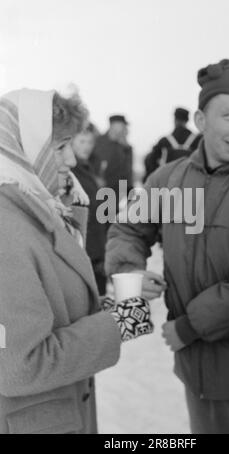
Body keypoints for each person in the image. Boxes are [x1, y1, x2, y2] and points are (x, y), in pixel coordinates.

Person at [105, 59, 229, 434]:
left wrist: (189, 326)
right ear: (200, 120)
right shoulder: (168, 181)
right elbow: (127, 228)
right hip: (197, 375)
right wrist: (129, 272)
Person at [0, 89, 151, 434]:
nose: (69, 161)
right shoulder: (5, 227)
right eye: (58, 148)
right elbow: (21, 365)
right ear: (18, 148)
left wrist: (120, 306)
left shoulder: (36, 210)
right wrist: (118, 324)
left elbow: (49, 308)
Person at [72, 123, 108, 296]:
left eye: (90, 142)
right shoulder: (69, 171)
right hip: (85, 249)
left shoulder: (90, 167)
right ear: (71, 141)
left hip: (96, 246)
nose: (86, 146)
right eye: (82, 141)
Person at [144, 107, 201, 180]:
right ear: (187, 120)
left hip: (168, 184)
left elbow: (150, 160)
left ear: (174, 120)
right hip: (191, 183)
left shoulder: (164, 141)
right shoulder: (197, 140)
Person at [90, 114, 133, 209]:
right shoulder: (97, 142)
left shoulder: (125, 147)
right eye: (123, 125)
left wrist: (129, 197)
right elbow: (86, 164)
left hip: (115, 196)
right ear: (114, 125)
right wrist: (94, 178)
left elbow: (127, 174)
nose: (124, 128)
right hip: (96, 194)